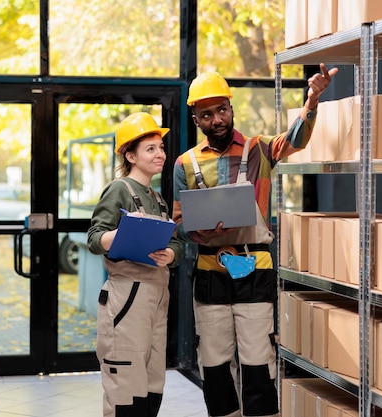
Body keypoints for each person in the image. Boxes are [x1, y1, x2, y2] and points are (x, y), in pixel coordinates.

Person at [172, 63, 338, 417]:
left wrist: (312, 100)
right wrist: (202, 231)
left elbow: (296, 140)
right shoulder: (184, 164)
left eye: (221, 110)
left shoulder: (259, 149)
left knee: (257, 359)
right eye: (207, 114)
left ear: (231, 109)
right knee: (214, 363)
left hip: (254, 267)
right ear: (196, 120)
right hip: (209, 270)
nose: (216, 119)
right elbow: (179, 225)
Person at [87, 112, 184, 417]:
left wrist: (171, 255)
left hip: (157, 294)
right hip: (127, 295)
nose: (160, 154)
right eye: (151, 148)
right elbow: (94, 238)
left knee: (151, 382)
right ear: (130, 155)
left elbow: (175, 242)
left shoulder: (157, 197)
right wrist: (120, 234)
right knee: (126, 382)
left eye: (161, 147)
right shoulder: (119, 189)